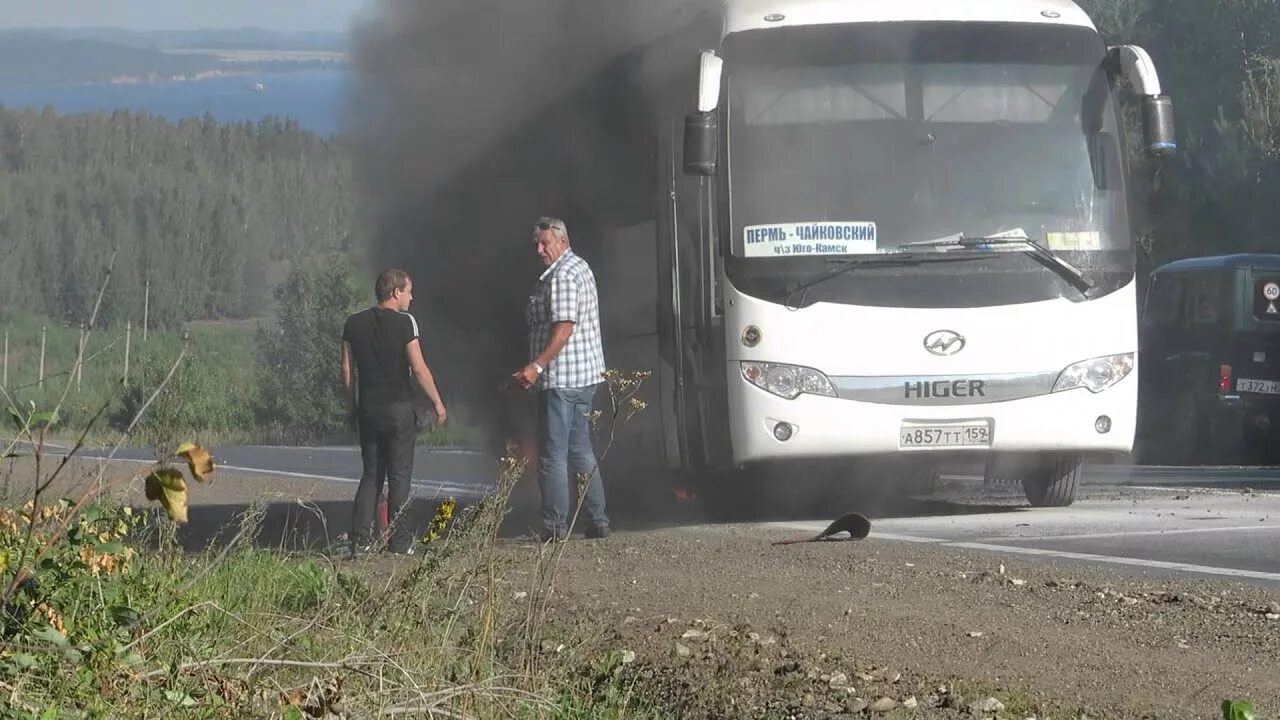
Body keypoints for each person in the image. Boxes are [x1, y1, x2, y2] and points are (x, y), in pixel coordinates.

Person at [512, 216, 610, 541]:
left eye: (545, 243)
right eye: (536, 244)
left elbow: (564, 327)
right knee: (580, 449)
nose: (539, 249)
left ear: (562, 241)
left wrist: (536, 366)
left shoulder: (563, 275)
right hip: (585, 376)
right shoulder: (578, 267)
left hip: (562, 378)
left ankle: (555, 527)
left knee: (553, 454)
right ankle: (597, 520)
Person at [341, 268, 447, 555]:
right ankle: (400, 543)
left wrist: (351, 406)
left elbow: (347, 368)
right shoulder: (405, 323)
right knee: (399, 476)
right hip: (399, 409)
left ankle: (360, 541)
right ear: (396, 292)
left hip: (369, 409)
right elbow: (418, 367)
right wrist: (436, 401)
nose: (411, 298)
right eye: (409, 291)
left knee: (371, 476)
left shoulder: (353, 323)